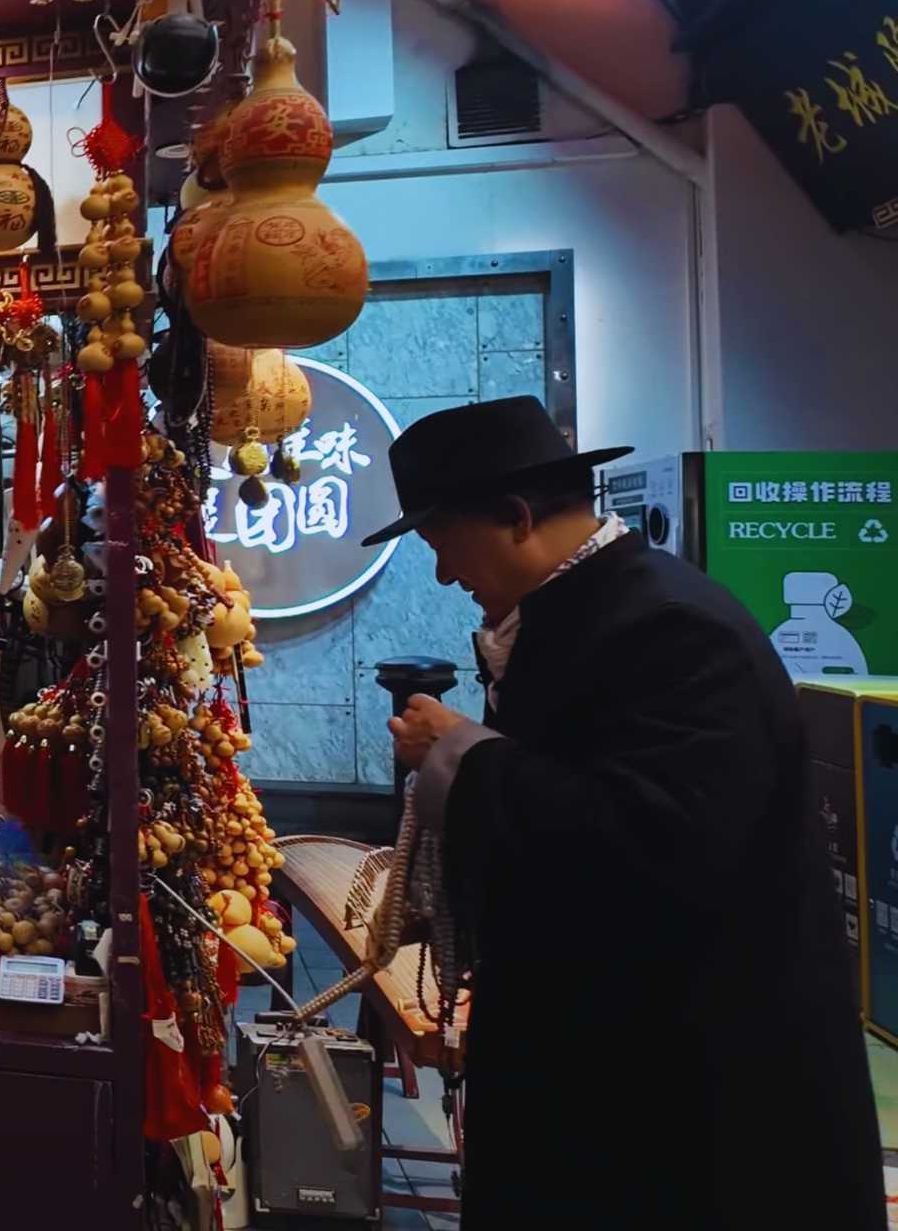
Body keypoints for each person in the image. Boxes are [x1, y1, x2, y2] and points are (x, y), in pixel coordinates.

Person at [368, 397, 878, 1227]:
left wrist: (461, 754)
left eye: (442, 544)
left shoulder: (671, 627)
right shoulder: (582, 613)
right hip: (610, 1069)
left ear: (516, 518)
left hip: (691, 1094)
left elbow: (657, 840)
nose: (444, 576)